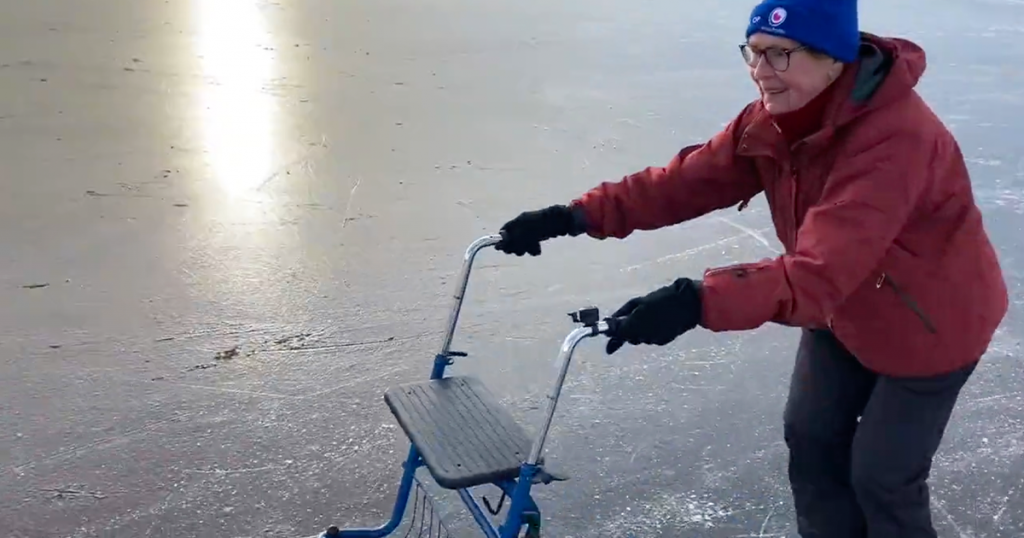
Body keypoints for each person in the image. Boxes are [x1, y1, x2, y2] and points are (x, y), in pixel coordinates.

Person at [492, 0, 1009, 536]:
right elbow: (683, 183)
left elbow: (817, 273)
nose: (761, 71)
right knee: (811, 440)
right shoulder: (775, 120)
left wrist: (695, 301)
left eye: (779, 54)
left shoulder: (894, 141)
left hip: (929, 321)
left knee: (882, 476)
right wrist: (574, 216)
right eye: (754, 52)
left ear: (832, 58)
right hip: (841, 309)